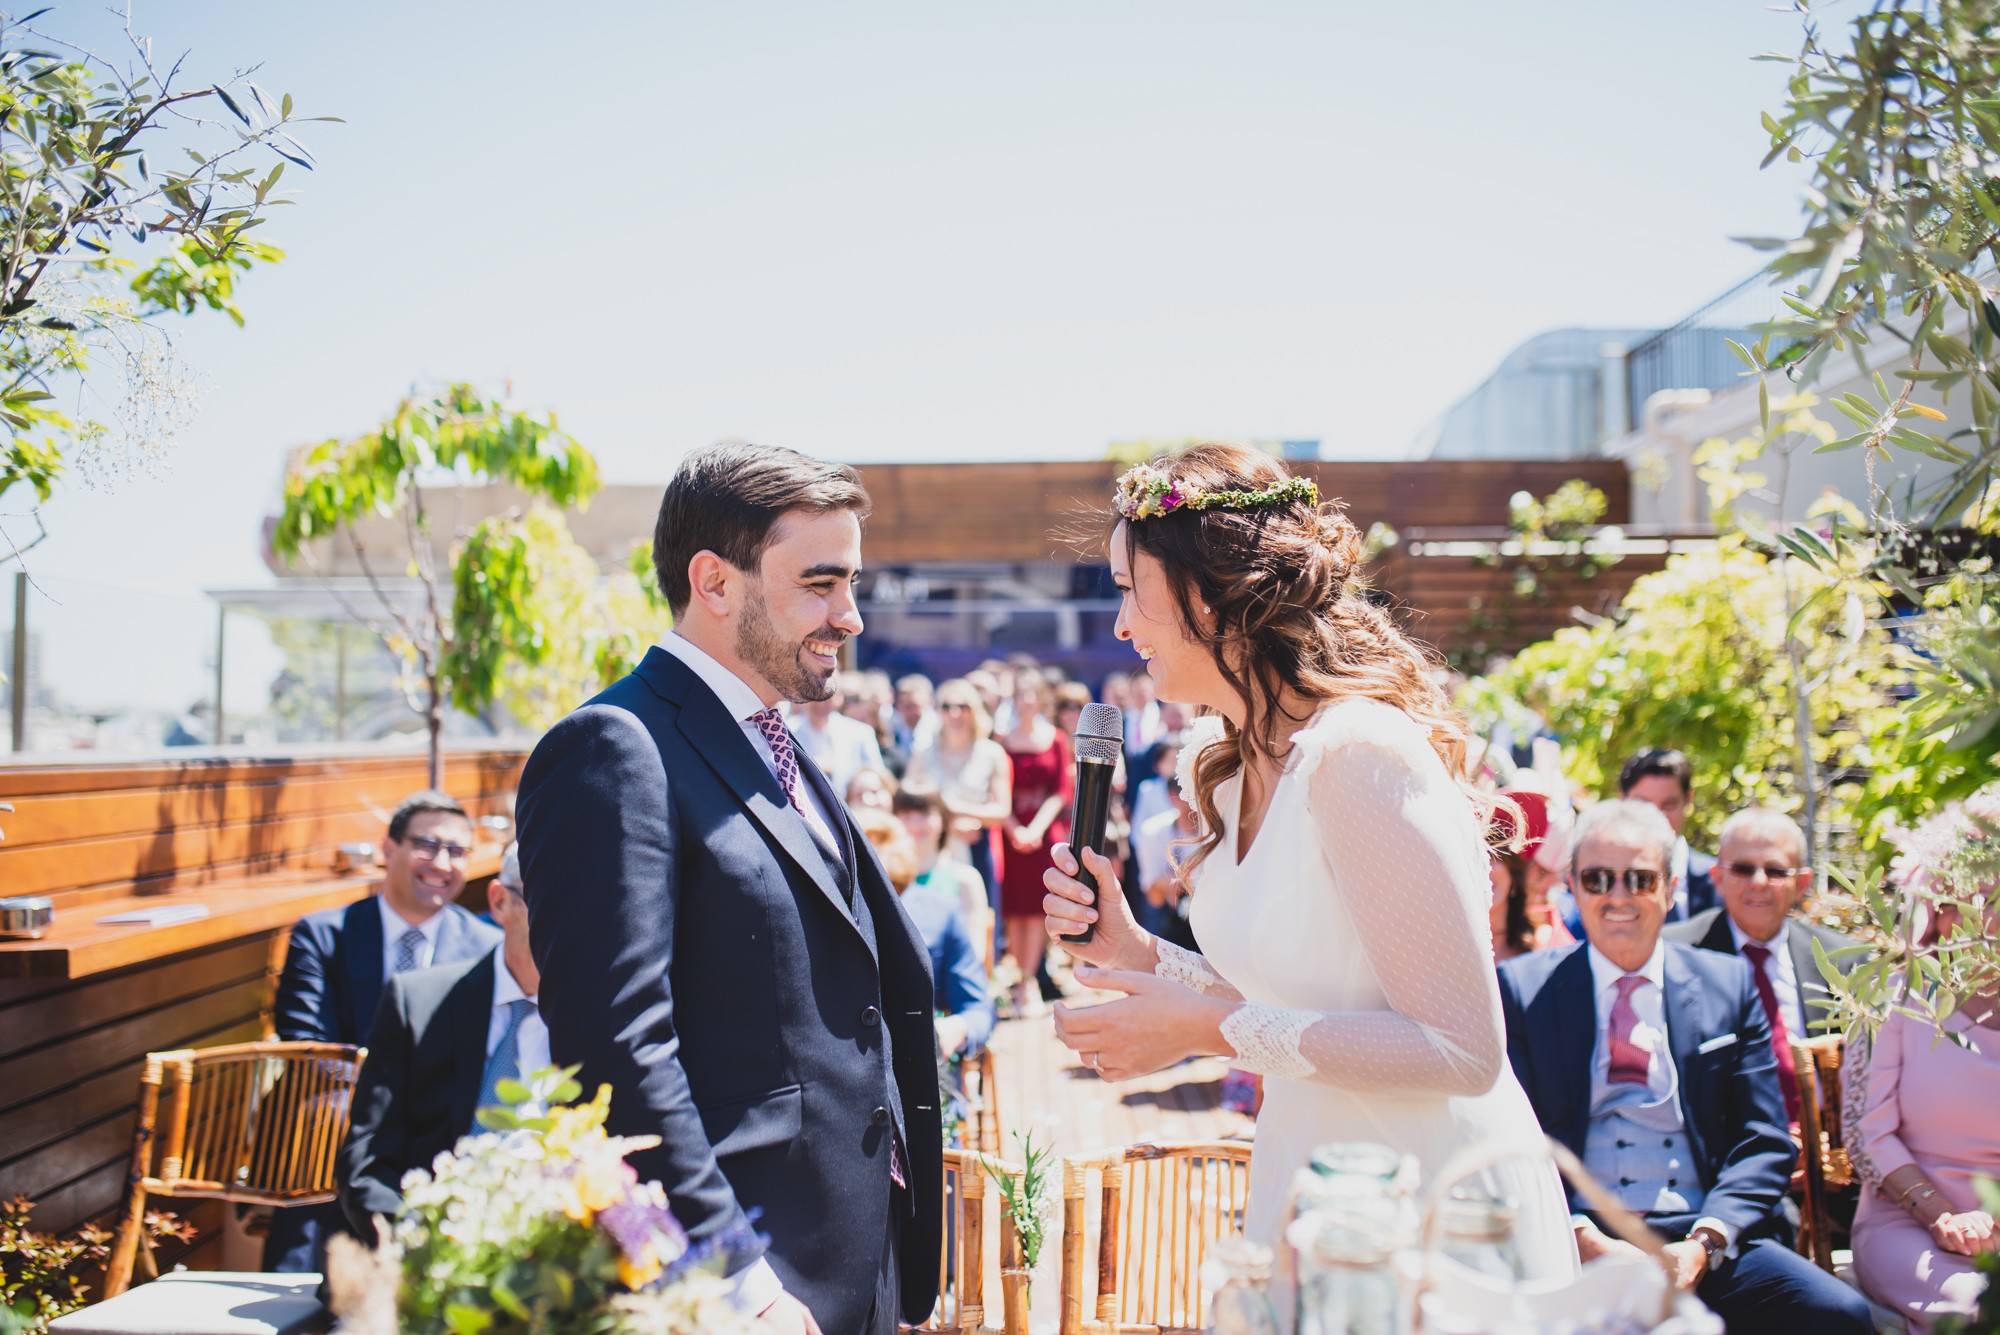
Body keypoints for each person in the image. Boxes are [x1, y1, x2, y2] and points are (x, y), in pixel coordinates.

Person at [1039, 445, 1575, 1296]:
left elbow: (1464, 1048)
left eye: (1124, 589)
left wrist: (1201, 1030)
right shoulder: (1220, 760)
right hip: (1310, 1183)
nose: (1120, 627)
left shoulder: (1357, 752)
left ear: (1206, 590)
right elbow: (1294, 990)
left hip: (1434, 1210)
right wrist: (1140, 953)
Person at [516, 443, 941, 1335]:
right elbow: (614, 1047)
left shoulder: (780, 741)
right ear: (713, 581)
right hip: (754, 1285)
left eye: (852, 583)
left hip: (860, 1262)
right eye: (821, 583)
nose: (851, 616)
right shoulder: (613, 746)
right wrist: (731, 1277)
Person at [1498, 800, 1872, 1334]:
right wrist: (1580, 1236)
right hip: (1575, 1236)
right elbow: (1509, 1142)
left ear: (1671, 890)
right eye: (1599, 879)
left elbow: (1764, 1137)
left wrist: (1704, 1242)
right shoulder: (1524, 990)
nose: (1619, 897)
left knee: (1838, 1313)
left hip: (1702, 1235)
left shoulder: (1727, 984)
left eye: (1640, 879)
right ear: (1575, 889)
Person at [266, 790, 500, 1271]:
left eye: (457, 851)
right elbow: (307, 1044)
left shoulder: (487, 948)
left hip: (441, 1147)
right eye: (427, 845)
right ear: (388, 849)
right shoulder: (324, 935)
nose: (442, 862)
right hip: (334, 1132)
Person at [336, 843, 547, 1243]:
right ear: (501, 902)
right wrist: (424, 1248)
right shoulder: (417, 1002)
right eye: (548, 903)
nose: (570, 922)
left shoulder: (606, 1016)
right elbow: (367, 1161)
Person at [1846, 834, 2000, 1331]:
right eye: (1972, 905)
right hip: (1909, 1227)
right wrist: (1941, 1216)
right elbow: (1867, 1135)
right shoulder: (1890, 1003)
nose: (1984, 922)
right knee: (1980, 1309)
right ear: (1939, 916)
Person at [1664, 807, 1860, 1124]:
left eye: (1776, 871)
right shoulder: (1673, 954)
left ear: (1802, 883)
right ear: (1718, 878)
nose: (1759, 882)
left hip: (1825, 1154)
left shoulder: (1845, 960)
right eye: (1742, 869)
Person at [857, 806, 994, 1074]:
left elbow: (977, 1008)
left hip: (921, 1072)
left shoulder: (940, 913)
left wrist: (956, 1028)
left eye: (876, 847)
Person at [904, 677, 1011, 913]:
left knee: (978, 922)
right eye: (947, 707)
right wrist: (949, 821)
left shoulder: (991, 753)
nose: (954, 714)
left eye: (962, 707)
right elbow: (907, 801)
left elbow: (1002, 810)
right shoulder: (924, 752)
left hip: (975, 849)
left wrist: (962, 812)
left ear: (974, 711)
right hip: (929, 849)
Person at [999, 669, 1073, 1017]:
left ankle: (1028, 981)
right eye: (1020, 694)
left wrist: (1036, 828)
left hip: (1044, 837)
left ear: (1041, 699)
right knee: (1015, 910)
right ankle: (1020, 979)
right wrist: (1014, 828)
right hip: (1011, 837)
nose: (1025, 701)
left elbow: (1061, 790)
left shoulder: (1056, 738)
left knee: (1039, 908)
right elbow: (998, 791)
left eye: (1031, 694)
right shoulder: (1002, 740)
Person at [894, 787, 992, 969]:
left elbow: (975, 952)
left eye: (924, 814)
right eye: (906, 814)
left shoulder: (965, 879)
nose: (915, 824)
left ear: (943, 820)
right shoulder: (887, 879)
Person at [1619, 749, 1717, 921]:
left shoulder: (1720, 880)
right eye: (1644, 805)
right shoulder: (1596, 881)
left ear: (1688, 799)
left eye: (1668, 805)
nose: (1657, 817)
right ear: (1623, 799)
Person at [1489, 790, 1574, 962]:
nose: (1484, 866)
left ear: (1514, 873)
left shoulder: (1550, 946)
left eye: (1494, 856)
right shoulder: (1441, 935)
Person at [791, 672, 885, 794]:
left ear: (838, 697)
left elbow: (876, 775)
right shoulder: (788, 730)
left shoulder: (861, 733)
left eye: (827, 695)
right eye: (815, 694)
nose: (821, 701)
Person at [892, 674, 938, 756]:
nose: (912, 712)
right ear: (898, 705)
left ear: (930, 702)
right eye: (907, 706)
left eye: (916, 706)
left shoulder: (940, 732)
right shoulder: (890, 731)